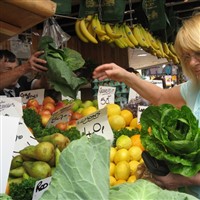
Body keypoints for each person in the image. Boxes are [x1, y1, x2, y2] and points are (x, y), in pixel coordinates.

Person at [93, 14, 200, 198]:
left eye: (198, 53)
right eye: (187, 56)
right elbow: (161, 97)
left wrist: (181, 179)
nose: (191, 62)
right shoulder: (195, 88)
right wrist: (126, 76)